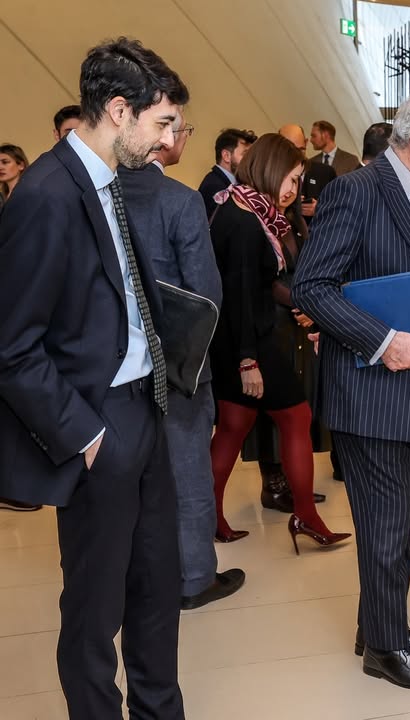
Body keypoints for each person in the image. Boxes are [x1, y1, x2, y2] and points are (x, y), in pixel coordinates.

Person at [0, 37, 189, 718]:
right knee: (93, 609)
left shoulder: (110, 185)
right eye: (161, 124)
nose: (169, 142)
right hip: (96, 425)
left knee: (156, 590)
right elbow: (11, 344)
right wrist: (82, 434)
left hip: (145, 409)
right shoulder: (47, 195)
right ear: (118, 111)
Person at [292, 88, 410, 690]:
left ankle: (382, 626)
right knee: (387, 531)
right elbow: (312, 288)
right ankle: (385, 649)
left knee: (393, 527)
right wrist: (382, 340)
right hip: (375, 394)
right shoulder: (358, 190)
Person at [120, 113, 246, 610]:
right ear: (162, 140)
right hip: (178, 363)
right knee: (188, 470)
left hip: (116, 365)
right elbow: (206, 292)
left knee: (132, 475)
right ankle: (194, 577)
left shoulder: (100, 193)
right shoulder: (179, 199)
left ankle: (139, 576)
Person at [206, 133, 350, 553]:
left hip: (238, 338)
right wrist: (248, 360)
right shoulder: (246, 218)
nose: (292, 189)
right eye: (290, 178)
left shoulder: (249, 210)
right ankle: (305, 516)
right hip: (249, 341)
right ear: (268, 168)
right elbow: (241, 295)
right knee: (296, 418)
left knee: (233, 427)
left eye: (298, 180)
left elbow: (257, 285)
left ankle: (210, 517)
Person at [279, 123, 335, 224]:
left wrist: (319, 209)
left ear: (306, 142)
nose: (295, 156)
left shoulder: (325, 173)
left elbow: (339, 210)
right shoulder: (270, 174)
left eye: (300, 150)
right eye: (289, 151)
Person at [198, 127, 258, 218]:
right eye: (246, 154)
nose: (251, 161)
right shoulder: (215, 186)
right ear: (226, 156)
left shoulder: (231, 184)